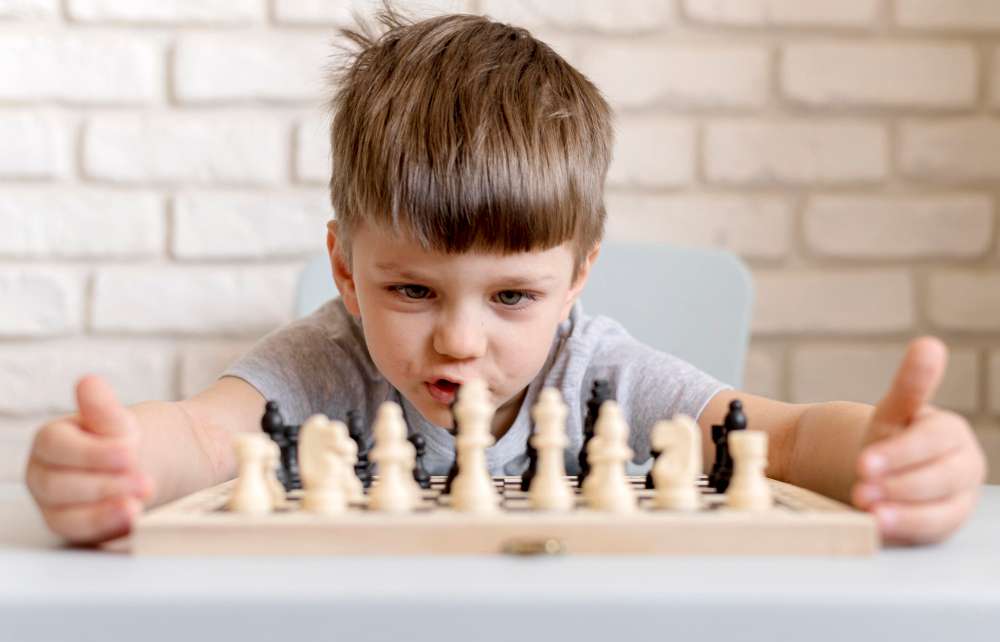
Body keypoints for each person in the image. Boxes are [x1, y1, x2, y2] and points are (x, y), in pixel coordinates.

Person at [24, 6, 985, 547]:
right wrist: (117, 460)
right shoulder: (321, 369)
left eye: (513, 296)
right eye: (412, 289)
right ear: (346, 272)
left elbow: (783, 439)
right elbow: (199, 432)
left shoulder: (602, 379)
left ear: (578, 281)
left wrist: (888, 453)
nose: (460, 340)